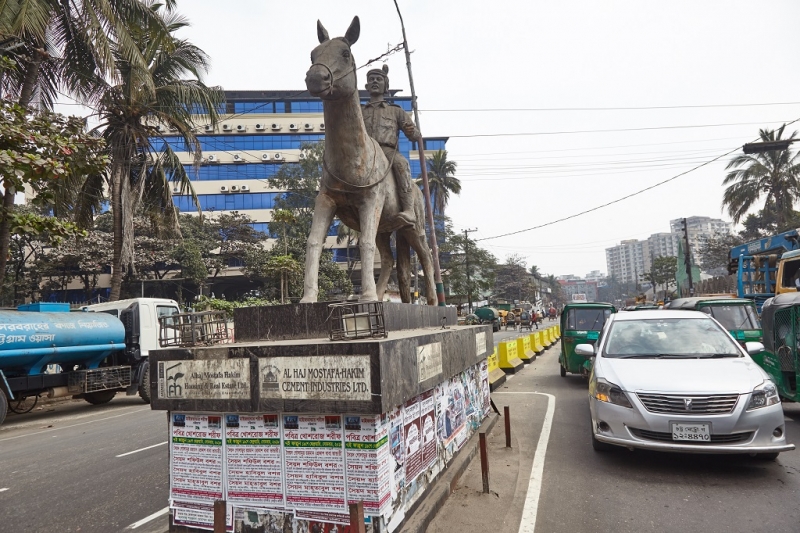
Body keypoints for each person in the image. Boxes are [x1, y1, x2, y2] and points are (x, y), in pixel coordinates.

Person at [362, 65, 421, 228]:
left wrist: (414, 132)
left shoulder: (395, 111)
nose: (374, 81)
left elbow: (414, 135)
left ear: (385, 86)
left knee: (401, 164)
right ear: (366, 86)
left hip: (386, 151)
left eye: (378, 79)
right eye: (371, 79)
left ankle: (409, 209)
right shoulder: (360, 112)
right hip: (365, 153)